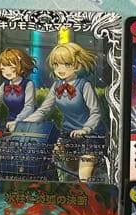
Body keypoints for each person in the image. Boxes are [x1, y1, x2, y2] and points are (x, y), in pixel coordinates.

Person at [24, 42, 104, 179]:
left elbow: (95, 111)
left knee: (84, 173)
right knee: (57, 161)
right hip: (68, 133)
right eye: (56, 64)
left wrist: (86, 129)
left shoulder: (84, 85)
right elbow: (44, 110)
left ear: (77, 65)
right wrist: (25, 123)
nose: (60, 69)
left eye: (67, 64)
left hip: (90, 134)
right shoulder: (57, 86)